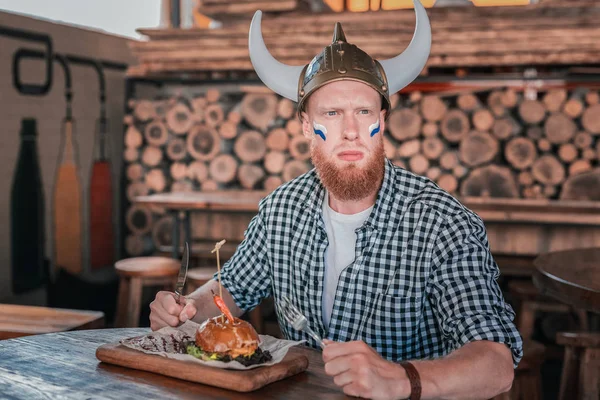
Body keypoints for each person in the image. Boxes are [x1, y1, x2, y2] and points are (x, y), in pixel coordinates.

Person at [150, 1, 523, 398]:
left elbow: (495, 363)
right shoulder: (281, 210)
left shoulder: (441, 222)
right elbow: (230, 292)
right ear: (308, 126)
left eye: (363, 111)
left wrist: (401, 380)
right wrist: (185, 309)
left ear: (383, 122)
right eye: (331, 113)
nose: (350, 130)